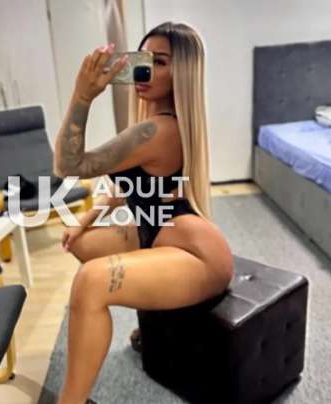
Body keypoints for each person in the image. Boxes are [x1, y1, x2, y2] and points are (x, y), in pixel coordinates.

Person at [52, 21, 234, 404]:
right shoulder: (152, 126)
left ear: (183, 72)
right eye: (143, 59)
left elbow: (68, 165)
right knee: (81, 244)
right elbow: (128, 186)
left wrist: (82, 96)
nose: (145, 70)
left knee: (91, 282)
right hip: (154, 232)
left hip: (196, 252)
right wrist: (83, 221)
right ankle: (155, 320)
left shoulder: (159, 131)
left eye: (160, 62)